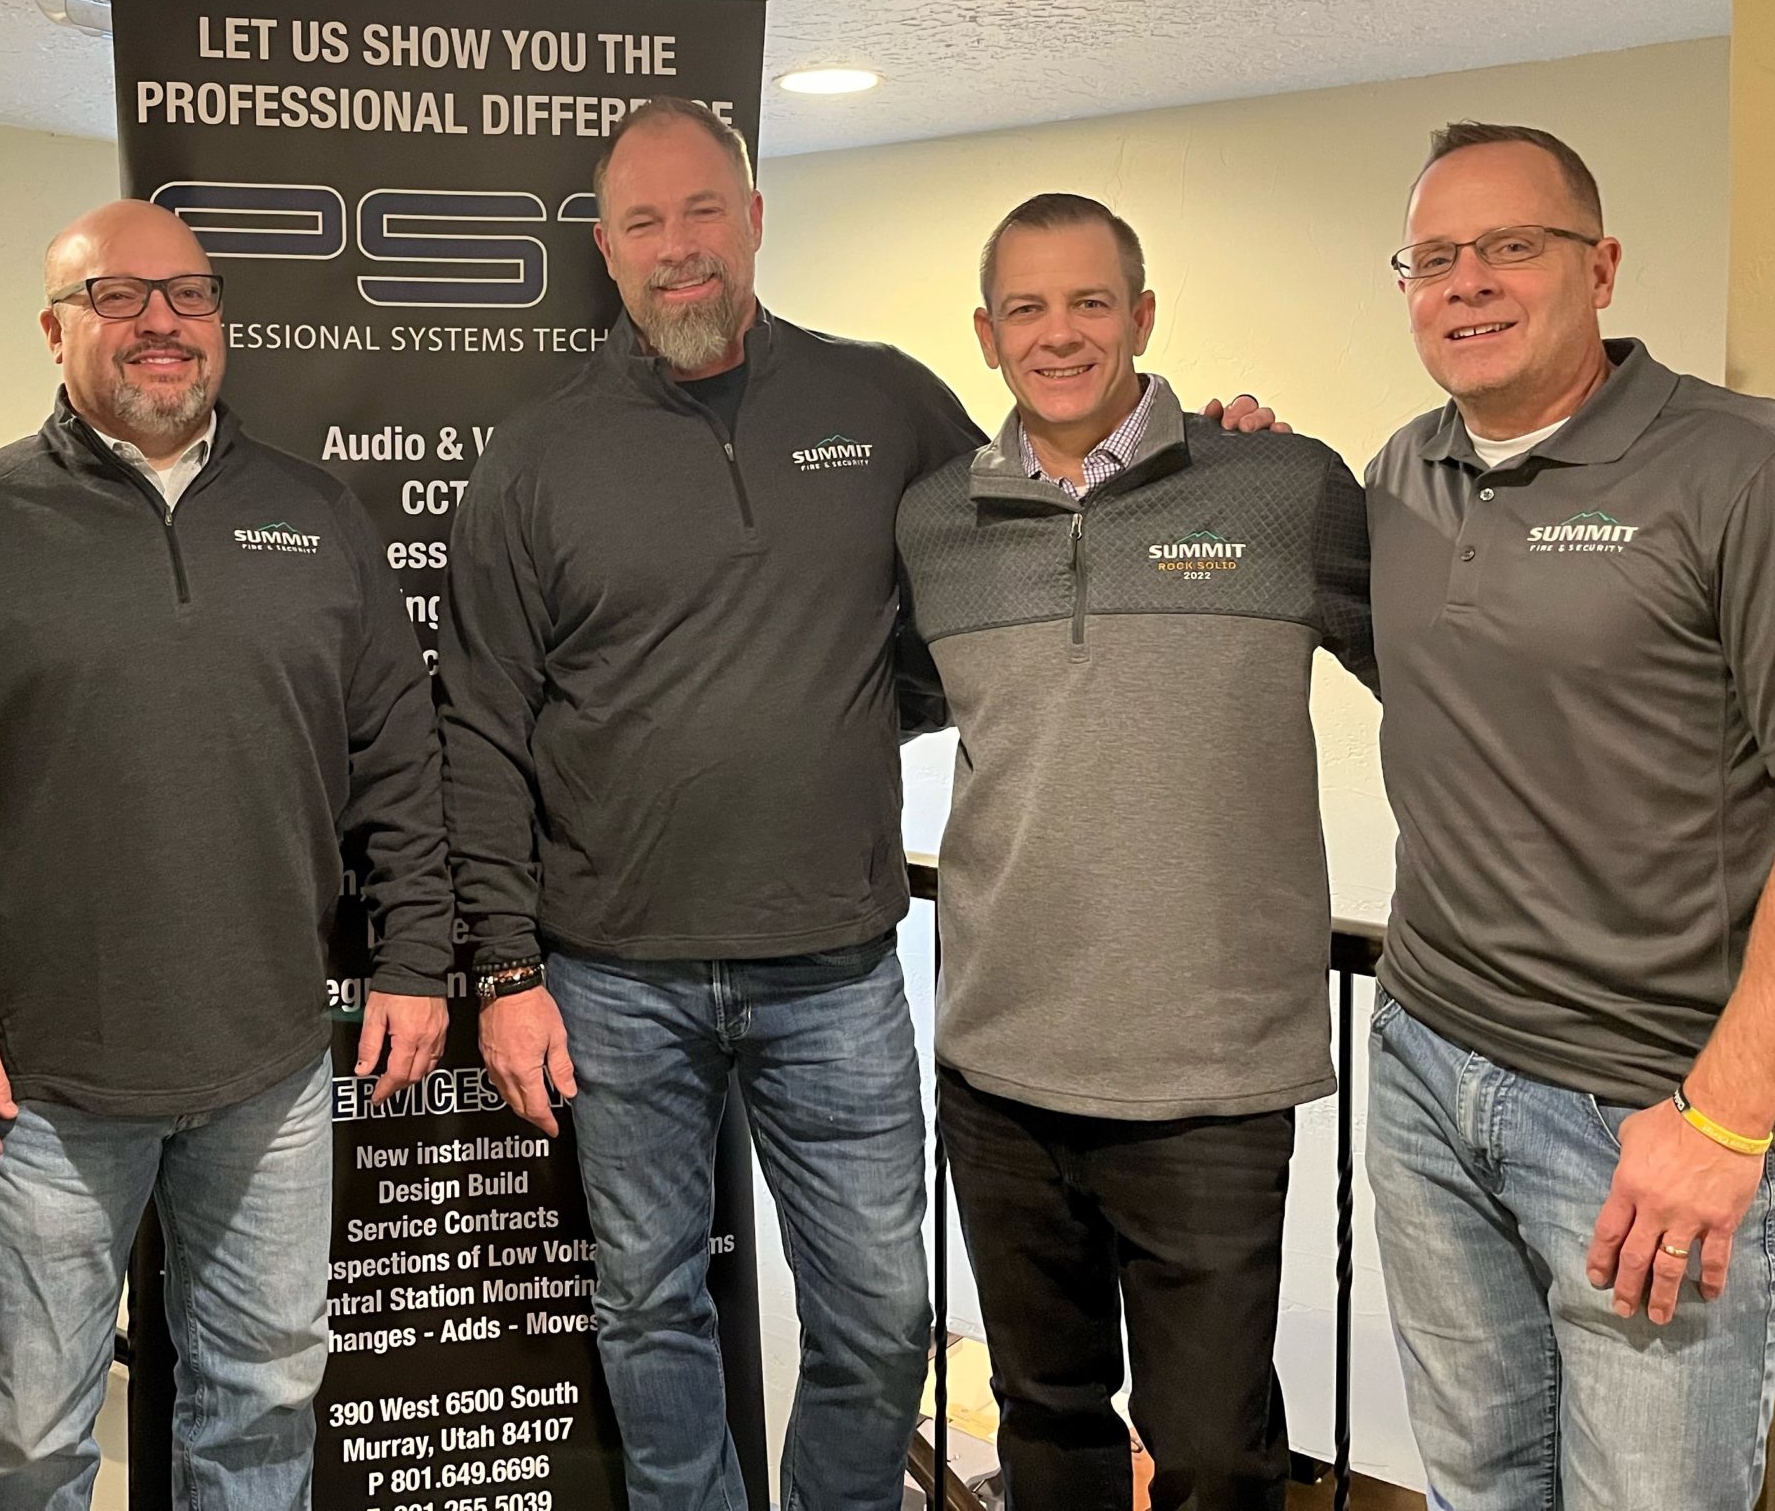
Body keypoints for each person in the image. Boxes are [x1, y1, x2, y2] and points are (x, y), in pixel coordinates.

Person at [438, 100, 1282, 1510]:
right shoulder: (535, 457)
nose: (679, 246)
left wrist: (1209, 447)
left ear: (755, 219)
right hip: (612, 973)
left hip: (833, 963)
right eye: (644, 222)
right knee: (648, 1306)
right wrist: (509, 970)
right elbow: (479, 722)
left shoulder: (880, 401)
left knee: (883, 1318)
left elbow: (1036, 517)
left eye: (703, 211)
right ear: (607, 248)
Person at [0, 198, 455, 1510]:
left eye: (189, 294)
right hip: (40, 1082)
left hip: (272, 1070)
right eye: (117, 295)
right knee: (26, 1441)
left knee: (261, 1414)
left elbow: (399, 757)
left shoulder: (318, 516)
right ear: (55, 330)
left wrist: (415, 959)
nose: (161, 322)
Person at [1364, 122, 1775, 1511]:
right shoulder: (1402, 475)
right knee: (1477, 1486)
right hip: (1426, 1070)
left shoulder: (1761, 469)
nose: (1467, 281)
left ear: (1601, 268)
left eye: (1512, 246)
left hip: (1650, 1110)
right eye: (1433, 257)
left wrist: (1727, 1120)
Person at [895, 193, 1375, 1510]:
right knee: (1048, 1425)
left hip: (1212, 1073)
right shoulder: (934, 523)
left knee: (1214, 1449)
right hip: (1002, 1063)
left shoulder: (1284, 488)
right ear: (987, 335)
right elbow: (880, 701)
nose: (1059, 334)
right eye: (1028, 309)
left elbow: (1449, 683)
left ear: (1143, 316)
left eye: (1090, 302)